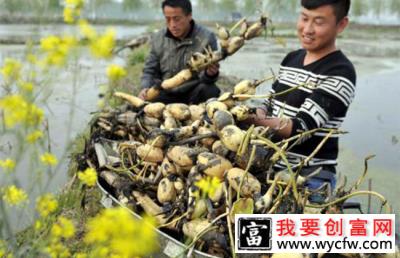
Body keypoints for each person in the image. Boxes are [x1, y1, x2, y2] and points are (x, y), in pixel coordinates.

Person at [248, 0, 356, 203]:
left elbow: (300, 128)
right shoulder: (291, 59)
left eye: (318, 22)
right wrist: (259, 111)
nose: (307, 29)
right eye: (304, 18)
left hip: (309, 176)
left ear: (341, 25)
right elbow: (269, 102)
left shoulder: (340, 73)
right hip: (270, 166)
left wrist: (250, 119)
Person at [139, 0, 220, 104]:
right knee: (143, 102)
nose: (172, 25)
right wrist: (145, 87)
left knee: (210, 90)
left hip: (193, 93)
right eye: (168, 19)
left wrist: (210, 74)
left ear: (189, 16)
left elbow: (208, 80)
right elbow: (149, 70)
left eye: (177, 19)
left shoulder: (207, 38)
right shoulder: (158, 38)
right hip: (166, 93)